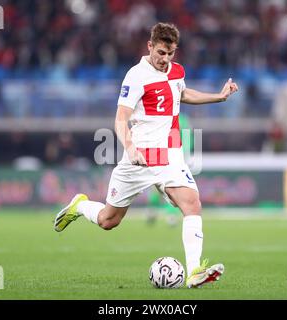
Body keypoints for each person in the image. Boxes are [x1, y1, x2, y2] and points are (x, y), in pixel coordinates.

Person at [53, 22, 239, 288]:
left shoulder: (176, 71)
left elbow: (182, 93)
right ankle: (80, 206)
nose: (166, 59)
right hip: (140, 155)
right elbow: (120, 119)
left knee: (192, 203)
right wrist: (131, 149)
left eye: (171, 53)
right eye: (161, 53)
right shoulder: (136, 76)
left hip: (170, 153)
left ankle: (195, 270)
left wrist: (218, 97)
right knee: (109, 221)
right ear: (150, 46)